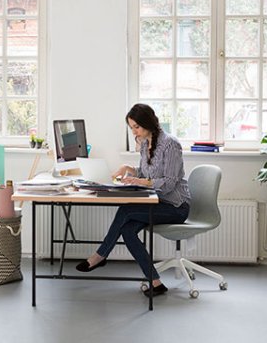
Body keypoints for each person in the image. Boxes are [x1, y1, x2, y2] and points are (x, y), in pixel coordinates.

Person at [75, 103, 191, 297]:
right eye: (131, 128)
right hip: (156, 202)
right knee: (128, 231)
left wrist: (141, 181)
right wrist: (127, 169)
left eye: (137, 127)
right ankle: (155, 283)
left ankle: (100, 255)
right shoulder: (145, 143)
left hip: (175, 207)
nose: (134, 131)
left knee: (126, 210)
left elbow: (169, 183)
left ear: (148, 123)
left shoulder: (171, 144)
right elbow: (145, 174)